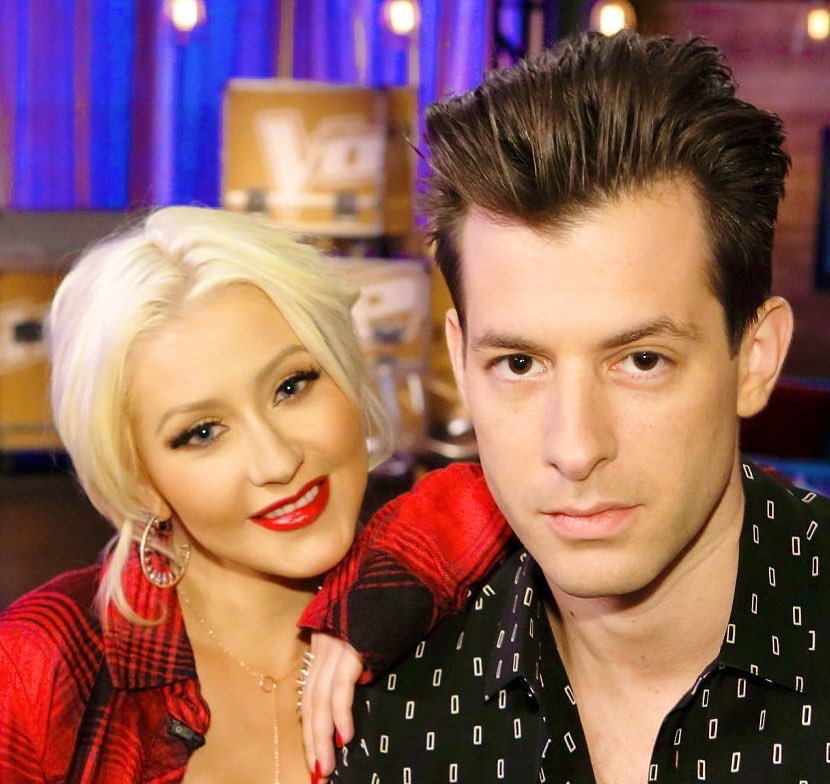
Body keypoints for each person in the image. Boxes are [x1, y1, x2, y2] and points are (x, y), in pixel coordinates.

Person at [305, 30, 830, 783]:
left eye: (642, 361)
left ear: (755, 358)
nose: (575, 448)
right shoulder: (387, 702)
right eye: (519, 364)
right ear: (461, 362)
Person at [0, 207, 509, 784]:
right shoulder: (42, 667)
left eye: (292, 386)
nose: (278, 461)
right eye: (202, 433)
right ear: (141, 480)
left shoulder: (459, 612)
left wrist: (384, 600)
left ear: (346, 372)